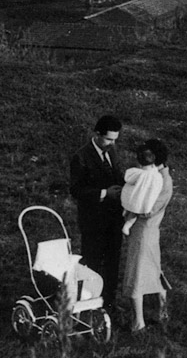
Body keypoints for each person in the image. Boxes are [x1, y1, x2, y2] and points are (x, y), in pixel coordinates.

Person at [69, 115, 125, 311]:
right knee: (92, 262)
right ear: (97, 134)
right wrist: (104, 193)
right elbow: (76, 190)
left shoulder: (112, 151)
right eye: (109, 139)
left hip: (114, 219)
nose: (112, 143)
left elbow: (117, 174)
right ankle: (88, 303)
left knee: (112, 261)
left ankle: (108, 302)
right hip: (93, 220)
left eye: (115, 139)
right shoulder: (81, 157)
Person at [122, 139, 173, 333]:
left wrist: (129, 207)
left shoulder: (161, 181)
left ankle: (139, 321)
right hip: (149, 231)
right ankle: (162, 312)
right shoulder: (157, 176)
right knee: (153, 269)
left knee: (137, 273)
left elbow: (148, 210)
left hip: (144, 230)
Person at [120, 149, 165, 237]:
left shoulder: (136, 172)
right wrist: (147, 207)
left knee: (130, 206)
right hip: (139, 199)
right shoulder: (155, 176)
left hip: (132, 196)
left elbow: (129, 179)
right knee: (135, 212)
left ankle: (125, 212)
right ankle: (127, 225)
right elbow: (153, 191)